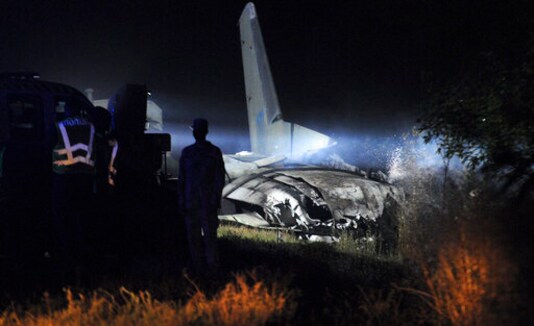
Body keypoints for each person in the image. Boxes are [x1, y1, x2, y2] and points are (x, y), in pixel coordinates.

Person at [178, 118, 226, 274]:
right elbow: (219, 179)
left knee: (199, 238)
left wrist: (182, 200)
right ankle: (208, 268)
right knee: (204, 238)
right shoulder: (213, 152)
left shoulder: (189, 153)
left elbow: (182, 179)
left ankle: (204, 268)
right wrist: (215, 199)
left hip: (197, 202)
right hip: (203, 202)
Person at [51, 107, 95, 266]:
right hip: (85, 179)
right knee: (82, 220)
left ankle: (66, 256)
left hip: (63, 177)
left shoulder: (59, 125)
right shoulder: (90, 126)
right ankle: (82, 256)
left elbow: (50, 145)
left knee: (63, 219)